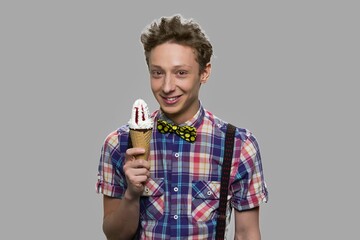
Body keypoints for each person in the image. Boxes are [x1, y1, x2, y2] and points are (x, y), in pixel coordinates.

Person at [96, 14, 268, 240]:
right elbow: (114, 236)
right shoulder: (119, 144)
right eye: (158, 73)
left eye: (181, 73)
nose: (167, 87)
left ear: (204, 72)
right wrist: (132, 194)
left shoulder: (238, 145)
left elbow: (247, 234)